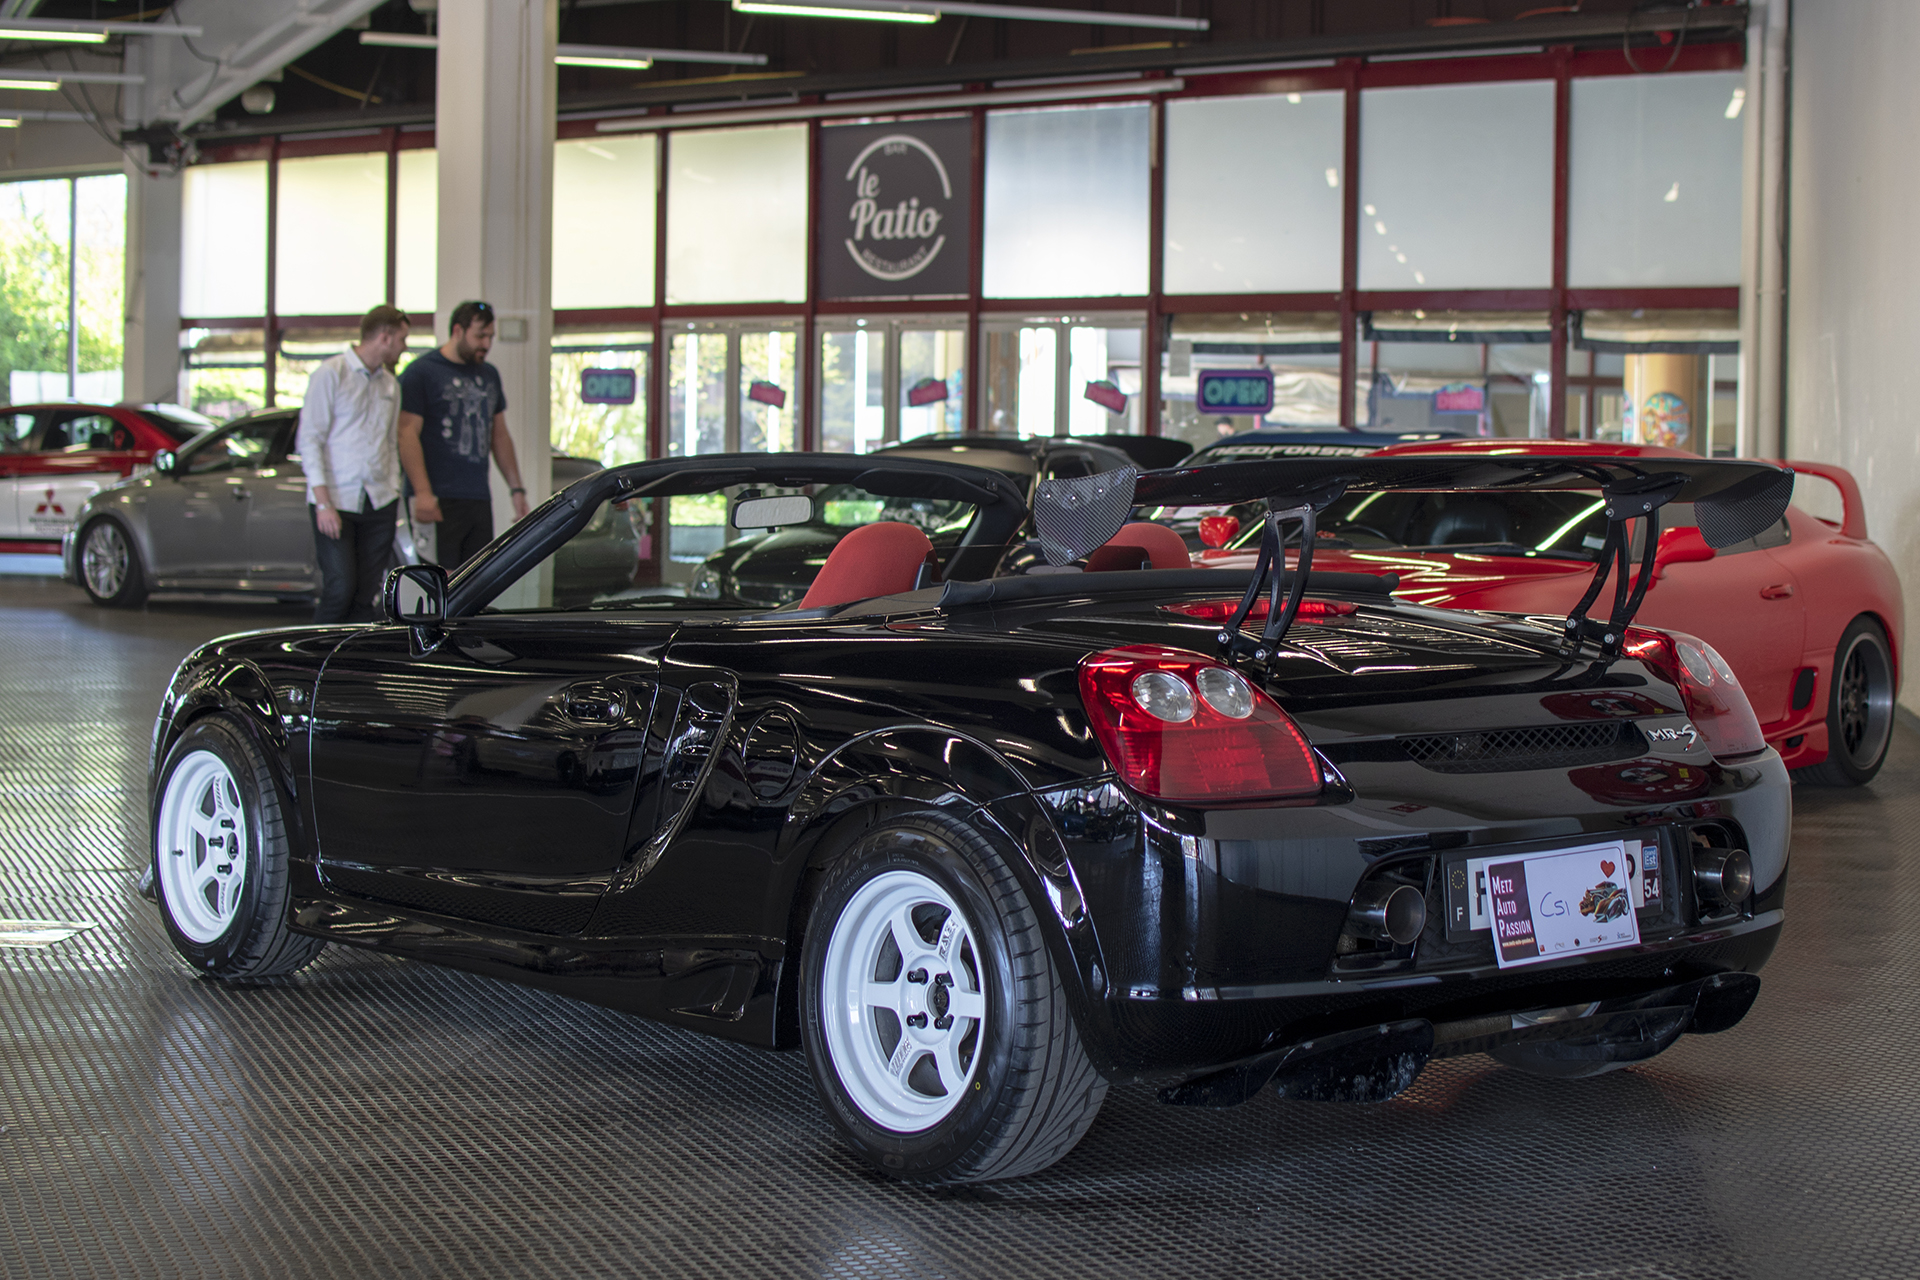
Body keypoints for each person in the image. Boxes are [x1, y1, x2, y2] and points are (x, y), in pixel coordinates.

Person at [298, 304, 411, 623]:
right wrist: (323, 503)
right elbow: (310, 440)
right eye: (402, 339)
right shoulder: (331, 374)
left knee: (366, 595)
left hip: (379, 501)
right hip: (337, 501)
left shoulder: (391, 385)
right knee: (340, 588)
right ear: (385, 337)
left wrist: (393, 491)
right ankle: (316, 663)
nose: (404, 347)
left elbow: (390, 443)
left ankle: (351, 667)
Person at [397, 299, 530, 570]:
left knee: (476, 577)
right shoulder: (421, 373)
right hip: (437, 496)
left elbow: (499, 435)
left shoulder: (489, 375)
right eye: (479, 336)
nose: (486, 344)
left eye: (490, 337)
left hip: (477, 495)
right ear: (458, 330)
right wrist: (422, 492)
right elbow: (406, 433)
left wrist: (516, 490)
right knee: (439, 579)